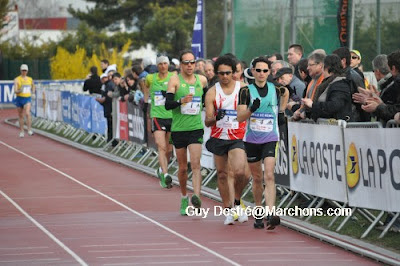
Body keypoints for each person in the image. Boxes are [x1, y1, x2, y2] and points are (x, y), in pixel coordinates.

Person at [237, 56, 282, 230]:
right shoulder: (245, 91)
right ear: (253, 71)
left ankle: (271, 213)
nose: (262, 73)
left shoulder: (275, 90)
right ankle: (258, 210)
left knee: (269, 175)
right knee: (257, 178)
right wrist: (251, 109)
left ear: (269, 72)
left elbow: (284, 97)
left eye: (265, 71)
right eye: (259, 70)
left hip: (270, 137)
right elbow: (239, 117)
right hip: (252, 139)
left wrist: (282, 114)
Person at [204, 55, 248, 225]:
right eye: (221, 73)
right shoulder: (212, 92)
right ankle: (228, 210)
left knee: (240, 172)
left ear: (233, 73)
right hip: (218, 137)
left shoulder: (243, 89)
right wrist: (215, 116)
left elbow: (247, 113)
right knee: (222, 174)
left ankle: (237, 201)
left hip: (237, 136)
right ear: (217, 74)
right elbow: (207, 121)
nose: (224, 76)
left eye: (227, 73)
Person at [165, 50, 208, 215]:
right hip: (179, 129)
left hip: (195, 127)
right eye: (186, 63)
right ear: (181, 65)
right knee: (183, 168)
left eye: (192, 62)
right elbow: (168, 104)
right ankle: (184, 197)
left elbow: (207, 99)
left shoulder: (202, 80)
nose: (190, 65)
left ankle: (196, 197)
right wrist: (181, 101)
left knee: (196, 165)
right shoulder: (175, 81)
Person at [143, 55, 174, 188]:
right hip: (157, 115)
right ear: (157, 65)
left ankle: (161, 169)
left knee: (168, 149)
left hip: (172, 116)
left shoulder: (173, 77)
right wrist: (146, 99)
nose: (163, 66)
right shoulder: (151, 78)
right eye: (160, 64)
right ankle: (166, 174)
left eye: (165, 63)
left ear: (168, 64)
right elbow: (145, 86)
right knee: (161, 146)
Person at [302, 54, 352, 121]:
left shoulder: (340, 84)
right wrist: (307, 112)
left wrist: (313, 105)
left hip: (333, 128)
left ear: (327, 67)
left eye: (323, 67)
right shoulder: (327, 83)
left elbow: (334, 106)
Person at [14, 64, 35, 138]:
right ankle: (22, 131)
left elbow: (33, 86)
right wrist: (20, 90)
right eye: (23, 70)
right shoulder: (17, 79)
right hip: (19, 98)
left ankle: (29, 130)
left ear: (27, 71)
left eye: (25, 70)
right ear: (20, 70)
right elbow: (15, 91)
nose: (24, 72)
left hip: (27, 98)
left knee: (27, 113)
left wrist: (33, 92)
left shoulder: (30, 79)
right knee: (20, 115)